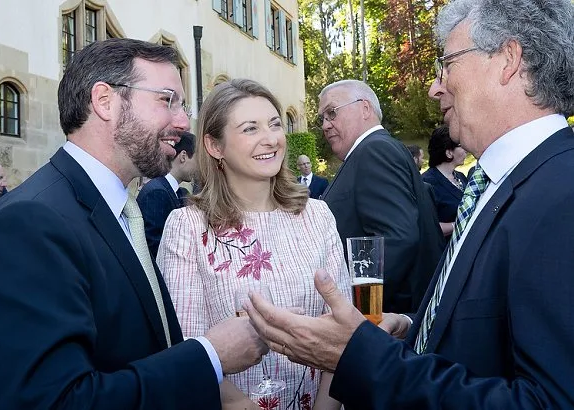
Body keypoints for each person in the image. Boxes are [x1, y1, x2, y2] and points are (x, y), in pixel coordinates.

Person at [243, 0, 574, 407]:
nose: (436, 87)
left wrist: (361, 357)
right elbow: (492, 330)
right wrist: (415, 329)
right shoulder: (507, 182)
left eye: (447, 65)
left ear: (507, 59)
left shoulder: (562, 194)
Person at [0, 39, 268, 409]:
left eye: (183, 105)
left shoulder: (118, 210)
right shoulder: (28, 224)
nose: (182, 122)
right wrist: (211, 356)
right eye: (167, 100)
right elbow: (55, 401)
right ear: (105, 101)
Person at [157, 78, 350, 410]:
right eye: (250, 129)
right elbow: (185, 348)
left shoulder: (317, 216)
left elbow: (344, 333)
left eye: (275, 124)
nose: (270, 138)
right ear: (215, 146)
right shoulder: (187, 227)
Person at [319, 79, 445, 314]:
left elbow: (396, 239)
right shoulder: (374, 150)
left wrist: (359, 312)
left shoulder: (374, 150)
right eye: (322, 118)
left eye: (332, 112)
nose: (326, 125)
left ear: (365, 108)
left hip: (386, 320)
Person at [137, 131, 196, 259]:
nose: (200, 167)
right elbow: (153, 246)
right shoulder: (156, 192)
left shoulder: (178, 192)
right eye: (198, 160)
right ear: (183, 156)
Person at [422, 126, 468, 237]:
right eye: (461, 145)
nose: (466, 149)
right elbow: (427, 226)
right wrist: (460, 225)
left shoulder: (461, 177)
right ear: (449, 153)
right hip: (444, 250)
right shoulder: (427, 183)